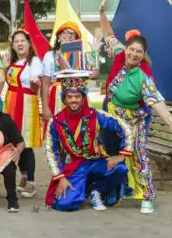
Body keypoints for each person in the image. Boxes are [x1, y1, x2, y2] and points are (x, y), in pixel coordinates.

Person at [99, 0, 172, 214]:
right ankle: (120, 189)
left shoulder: (144, 77)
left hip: (135, 118)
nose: (133, 54)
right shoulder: (119, 54)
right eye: (132, 49)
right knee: (108, 151)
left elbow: (156, 101)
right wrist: (101, 13)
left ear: (142, 55)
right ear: (127, 48)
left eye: (139, 52)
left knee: (138, 153)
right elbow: (108, 35)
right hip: (112, 113)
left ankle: (146, 195)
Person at [45, 77, 134, 212]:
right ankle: (82, 189)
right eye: (69, 97)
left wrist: (121, 155)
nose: (73, 100)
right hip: (76, 167)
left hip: (97, 162)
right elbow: (51, 151)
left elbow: (125, 128)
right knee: (64, 204)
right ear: (64, 99)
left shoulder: (96, 115)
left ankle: (95, 190)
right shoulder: (56, 122)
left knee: (120, 169)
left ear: (83, 97)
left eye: (77, 96)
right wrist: (61, 178)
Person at [3, 28, 44, 198]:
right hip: (11, 102)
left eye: (22, 41)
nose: (19, 44)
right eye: (16, 41)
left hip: (27, 104)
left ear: (29, 43)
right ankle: (24, 176)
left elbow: (36, 87)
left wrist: (35, 84)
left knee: (26, 144)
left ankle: (32, 182)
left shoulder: (34, 61)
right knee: (13, 143)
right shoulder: (10, 62)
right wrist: (5, 69)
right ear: (12, 45)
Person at [40, 22, 98, 122]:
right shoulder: (49, 55)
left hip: (78, 96)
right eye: (65, 32)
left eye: (72, 34)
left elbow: (94, 75)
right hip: (57, 96)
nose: (68, 36)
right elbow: (45, 83)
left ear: (76, 39)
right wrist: (45, 107)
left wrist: (95, 52)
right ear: (59, 36)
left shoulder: (82, 55)